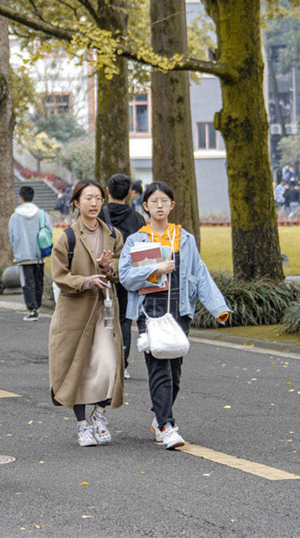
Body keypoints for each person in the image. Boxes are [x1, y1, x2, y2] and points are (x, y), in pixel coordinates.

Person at [119, 181, 231, 450]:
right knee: (159, 370)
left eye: (164, 201)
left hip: (180, 312)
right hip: (150, 313)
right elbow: (125, 277)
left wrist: (219, 308)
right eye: (154, 201)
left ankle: (160, 418)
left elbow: (200, 274)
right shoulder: (137, 240)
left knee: (175, 372)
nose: (159, 206)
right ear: (145, 206)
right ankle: (168, 425)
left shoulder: (185, 239)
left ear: (172, 205)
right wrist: (156, 268)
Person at [49, 180, 125, 447]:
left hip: (104, 312)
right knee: (77, 367)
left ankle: (100, 415)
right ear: (76, 202)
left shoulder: (114, 235)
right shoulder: (66, 238)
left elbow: (119, 271)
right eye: (88, 198)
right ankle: (82, 426)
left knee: (109, 364)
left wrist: (107, 268)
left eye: (98, 199)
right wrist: (86, 281)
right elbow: (60, 276)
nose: (94, 203)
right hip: (75, 313)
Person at [101, 173, 145, 376]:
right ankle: (122, 362)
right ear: (128, 193)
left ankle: (103, 360)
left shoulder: (98, 215)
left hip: (102, 275)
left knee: (103, 318)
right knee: (125, 320)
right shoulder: (137, 218)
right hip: (128, 277)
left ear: (107, 191)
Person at [8, 185, 52, 321]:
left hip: (23, 256)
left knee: (27, 282)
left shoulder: (15, 216)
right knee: (39, 281)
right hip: (39, 255)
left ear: (20, 198)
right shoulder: (42, 214)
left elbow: (12, 236)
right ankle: (37, 306)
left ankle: (32, 309)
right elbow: (49, 232)